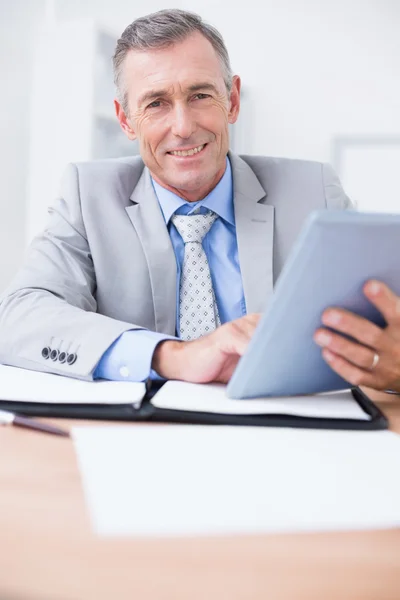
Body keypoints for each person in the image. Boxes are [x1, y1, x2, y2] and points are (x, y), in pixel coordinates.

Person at [0, 9, 398, 393]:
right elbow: (19, 318)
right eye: (156, 103)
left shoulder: (315, 192)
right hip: (138, 438)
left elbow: (387, 326)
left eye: (200, 95)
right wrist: (172, 356)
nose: (183, 127)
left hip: (282, 432)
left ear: (233, 100)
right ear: (125, 120)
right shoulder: (88, 195)